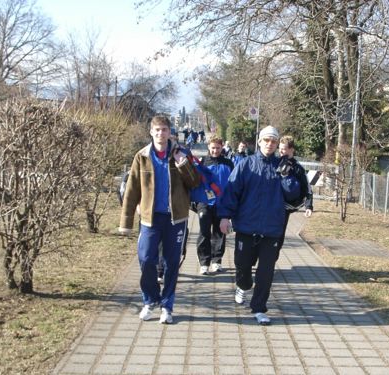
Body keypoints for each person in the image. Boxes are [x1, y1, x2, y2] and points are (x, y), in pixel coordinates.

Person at [119, 115, 200, 324]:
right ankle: (150, 300)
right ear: (151, 132)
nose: (161, 134)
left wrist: (183, 164)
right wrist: (125, 222)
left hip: (176, 218)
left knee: (172, 263)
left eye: (164, 129)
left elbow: (194, 183)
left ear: (170, 132)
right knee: (146, 259)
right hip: (150, 218)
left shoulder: (182, 154)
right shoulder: (142, 156)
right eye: (157, 130)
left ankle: (167, 306)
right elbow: (132, 189)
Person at [218, 125, 285, 326]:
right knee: (242, 267)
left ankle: (259, 308)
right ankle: (242, 285)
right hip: (246, 227)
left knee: (266, 271)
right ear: (259, 141)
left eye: (273, 141)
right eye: (266, 140)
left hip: (272, 229)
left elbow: (293, 195)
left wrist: (289, 177)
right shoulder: (246, 164)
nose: (270, 144)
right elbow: (231, 191)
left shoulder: (283, 166)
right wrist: (224, 216)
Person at [196, 135, 234, 275]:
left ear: (222, 147)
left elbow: (233, 183)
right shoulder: (202, 162)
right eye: (213, 148)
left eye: (218, 148)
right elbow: (195, 183)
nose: (215, 151)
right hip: (205, 203)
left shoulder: (228, 163)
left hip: (222, 204)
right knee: (204, 233)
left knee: (220, 233)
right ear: (208, 147)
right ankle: (204, 262)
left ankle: (216, 261)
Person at [277, 135, 313, 256]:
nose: (281, 151)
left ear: (292, 149)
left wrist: (308, 206)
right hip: (269, 205)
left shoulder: (298, 169)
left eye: (284, 149)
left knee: (279, 235)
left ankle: (271, 262)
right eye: (280, 148)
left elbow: (306, 188)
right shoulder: (274, 162)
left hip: (285, 208)